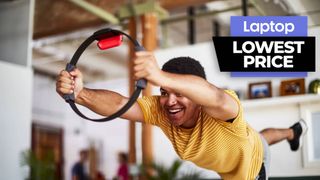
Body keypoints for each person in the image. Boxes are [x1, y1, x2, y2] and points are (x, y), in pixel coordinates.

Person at [57, 52, 307, 179]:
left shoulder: (223, 107)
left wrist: (160, 76)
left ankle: (293, 131)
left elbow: (214, 96)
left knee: (264, 142)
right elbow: (122, 104)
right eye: (164, 92)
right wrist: (80, 94)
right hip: (247, 143)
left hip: (252, 171)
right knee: (262, 137)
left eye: (179, 93)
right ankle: (294, 132)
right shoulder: (161, 109)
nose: (170, 100)